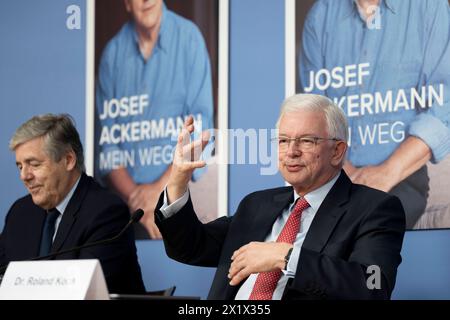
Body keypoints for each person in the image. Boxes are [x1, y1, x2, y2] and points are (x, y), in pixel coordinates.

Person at [154, 94, 406, 300]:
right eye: (283, 141)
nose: (291, 152)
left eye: (307, 141)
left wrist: (285, 256)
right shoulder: (256, 205)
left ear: (337, 151)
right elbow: (190, 247)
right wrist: (178, 180)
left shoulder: (374, 209)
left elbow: (374, 284)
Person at [299, 0, 450, 228]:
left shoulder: (429, 6)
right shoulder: (320, 16)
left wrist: (385, 174)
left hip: (401, 175)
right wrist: (345, 175)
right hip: (337, 175)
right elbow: (314, 116)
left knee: (365, 231)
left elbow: (443, 107)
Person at [96, 0, 214, 239]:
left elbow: (200, 128)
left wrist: (160, 190)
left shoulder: (189, 39)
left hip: (183, 189)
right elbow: (107, 142)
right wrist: (137, 199)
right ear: (127, 4)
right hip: (125, 203)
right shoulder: (112, 54)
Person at [0, 114, 146, 294]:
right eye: (20, 166)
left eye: (34, 165)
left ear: (68, 160)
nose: (24, 176)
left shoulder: (106, 212)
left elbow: (82, 292)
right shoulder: (20, 214)